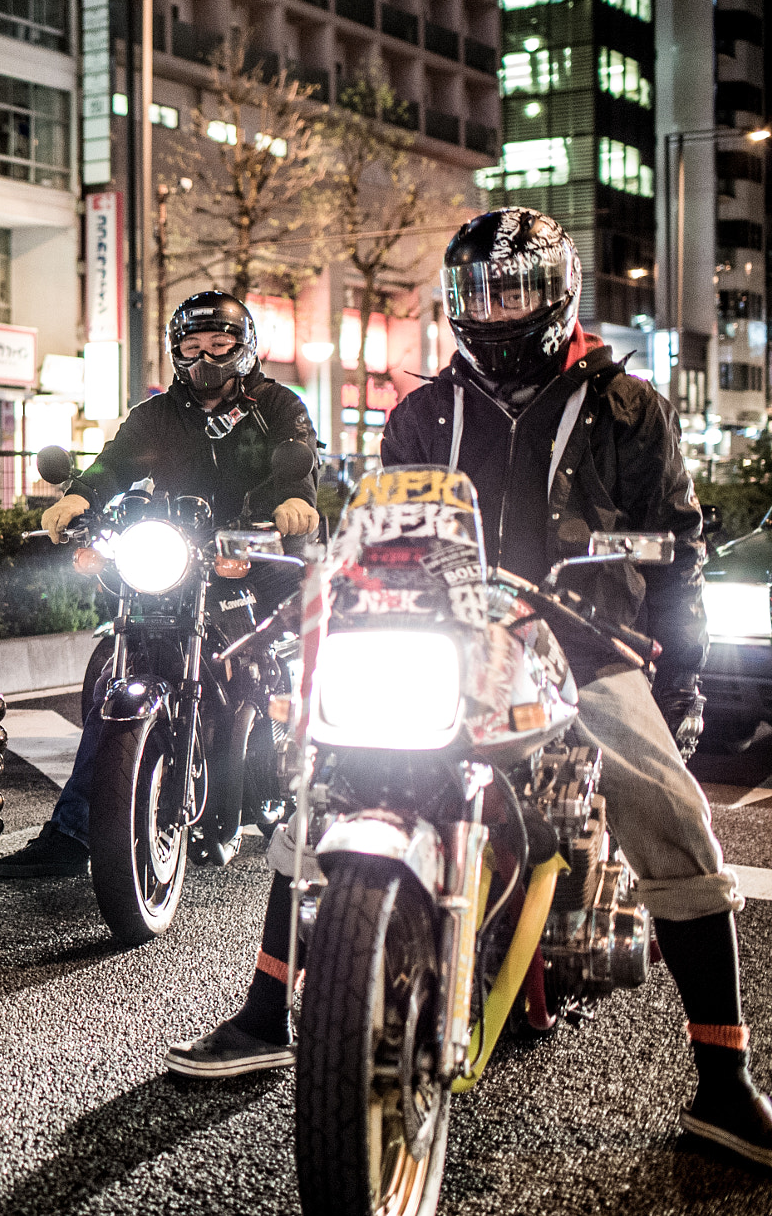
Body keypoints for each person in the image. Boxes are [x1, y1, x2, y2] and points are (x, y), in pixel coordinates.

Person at [170, 207, 772, 1168]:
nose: (495, 310)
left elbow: (680, 560)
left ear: (557, 293)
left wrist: (680, 680)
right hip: (439, 637)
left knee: (665, 802)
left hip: (584, 644)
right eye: (477, 292)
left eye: (515, 290)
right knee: (321, 777)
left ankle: (726, 1079)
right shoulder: (420, 413)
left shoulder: (629, 409)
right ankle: (263, 1013)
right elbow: (375, 527)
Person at [0, 290, 320, 879]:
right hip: (176, 557)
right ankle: (76, 828)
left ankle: (290, 781)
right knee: (110, 662)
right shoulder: (159, 414)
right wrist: (78, 496)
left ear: (244, 348)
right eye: (193, 347)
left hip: (256, 556)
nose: (206, 359)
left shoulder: (278, 406)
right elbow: (115, 461)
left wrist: (295, 501)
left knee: (273, 657)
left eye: (220, 345)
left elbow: (299, 463)